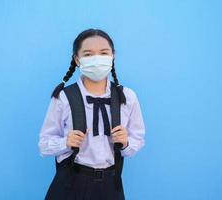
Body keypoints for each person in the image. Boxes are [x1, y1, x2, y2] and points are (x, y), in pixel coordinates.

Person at [38, 28, 145, 200]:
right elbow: (43, 145)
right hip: (71, 183)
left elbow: (137, 141)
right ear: (77, 59)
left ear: (113, 56)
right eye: (88, 54)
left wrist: (125, 142)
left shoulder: (127, 97)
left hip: (111, 184)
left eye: (104, 53)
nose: (97, 59)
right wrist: (65, 142)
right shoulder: (64, 97)